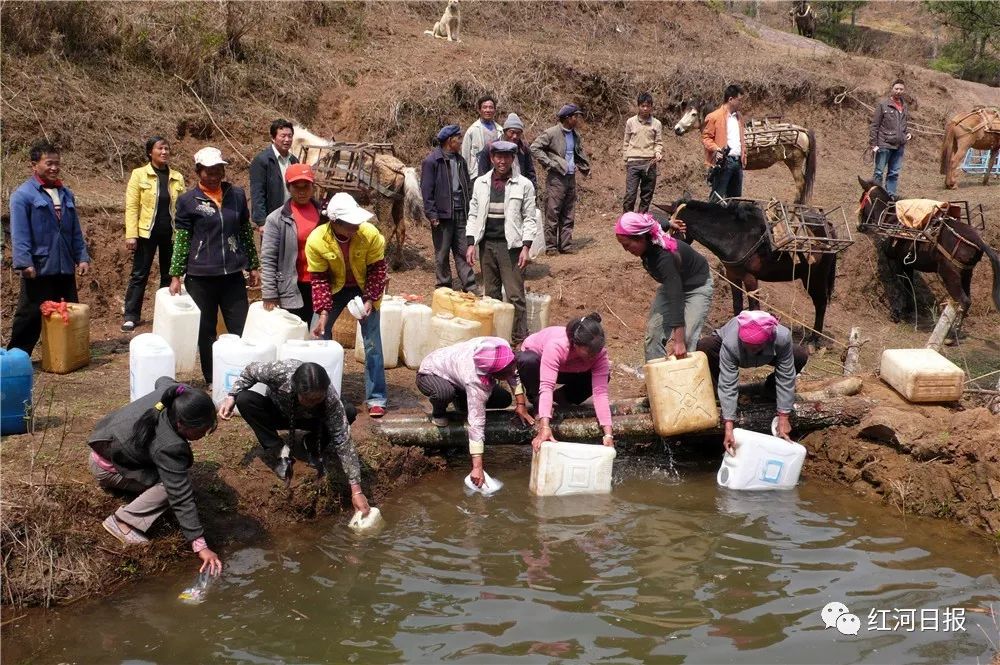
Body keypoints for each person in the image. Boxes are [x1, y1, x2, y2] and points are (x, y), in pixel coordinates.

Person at [88, 377, 222, 575]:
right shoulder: (169, 445)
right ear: (181, 424)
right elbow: (180, 495)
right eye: (202, 430)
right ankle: (124, 521)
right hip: (109, 468)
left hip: (105, 440)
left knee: (175, 477)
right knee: (172, 486)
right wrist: (201, 546)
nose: (204, 434)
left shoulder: (174, 393)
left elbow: (162, 380)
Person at [218, 361, 372, 516]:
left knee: (348, 411)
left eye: (317, 399)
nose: (312, 403)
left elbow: (343, 441)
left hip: (313, 420)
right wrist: (232, 395)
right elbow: (250, 371)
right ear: (295, 388)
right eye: (308, 399)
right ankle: (279, 449)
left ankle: (312, 444)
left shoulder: (329, 398)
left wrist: (356, 491)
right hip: (279, 412)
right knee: (244, 399)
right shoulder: (279, 372)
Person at [168, 147, 260, 384]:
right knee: (206, 330)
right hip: (200, 277)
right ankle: (212, 378)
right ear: (198, 171)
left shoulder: (237, 195)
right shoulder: (188, 201)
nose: (214, 175)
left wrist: (253, 265)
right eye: (208, 171)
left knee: (240, 326)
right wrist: (176, 274)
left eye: (218, 169)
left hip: (232, 274)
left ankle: (245, 375)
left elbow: (244, 232)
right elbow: (182, 238)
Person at [306, 192, 389, 418]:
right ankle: (322, 393)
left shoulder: (370, 234)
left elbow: (377, 270)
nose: (356, 226)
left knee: (372, 342)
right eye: (350, 224)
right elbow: (319, 278)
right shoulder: (316, 240)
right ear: (334, 223)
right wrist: (323, 312)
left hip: (364, 287)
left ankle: (376, 397)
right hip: (334, 288)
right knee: (318, 336)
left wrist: (370, 298)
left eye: (357, 222)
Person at [7, 140, 91, 355]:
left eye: (57, 163)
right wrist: (24, 263)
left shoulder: (66, 194)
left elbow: (74, 231)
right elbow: (20, 233)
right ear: (34, 165)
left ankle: (67, 354)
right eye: (49, 163)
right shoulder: (23, 196)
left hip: (64, 266)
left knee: (67, 313)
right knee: (30, 315)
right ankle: (17, 356)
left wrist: (82, 257)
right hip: (39, 266)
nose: (54, 168)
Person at [416, 337, 534, 487]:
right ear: (494, 374)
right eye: (506, 372)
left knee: (503, 399)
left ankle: (461, 400)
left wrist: (521, 404)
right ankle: (439, 412)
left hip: (458, 373)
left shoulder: (500, 347)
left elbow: (513, 372)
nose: (512, 371)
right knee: (444, 393)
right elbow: (476, 423)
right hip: (432, 373)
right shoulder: (475, 380)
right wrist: (477, 467)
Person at [695, 311, 809, 453]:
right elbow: (728, 381)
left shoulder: (781, 337)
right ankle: (717, 397)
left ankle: (770, 392)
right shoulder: (731, 342)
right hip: (729, 351)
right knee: (706, 345)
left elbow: (786, 376)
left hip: (768, 354)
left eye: (754, 347)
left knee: (799, 354)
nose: (750, 349)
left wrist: (784, 416)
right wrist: (729, 426)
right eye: (747, 345)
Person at [614, 211, 714, 362]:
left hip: (696, 287)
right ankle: (657, 379)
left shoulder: (663, 258)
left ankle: (684, 380)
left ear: (641, 237)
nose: (626, 250)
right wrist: (670, 223)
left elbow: (676, 298)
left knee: (687, 338)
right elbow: (656, 221)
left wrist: (678, 341)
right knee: (653, 336)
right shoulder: (649, 231)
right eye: (622, 245)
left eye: (627, 245)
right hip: (673, 283)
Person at [465, 141, 538, 345]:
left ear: (513, 159)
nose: (502, 161)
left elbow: (530, 218)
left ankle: (519, 338)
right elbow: (473, 213)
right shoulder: (481, 183)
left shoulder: (524, 184)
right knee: (492, 295)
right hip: (486, 245)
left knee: (515, 295)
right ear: (491, 158)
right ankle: (496, 338)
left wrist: (526, 247)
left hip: (511, 247)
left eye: (506, 157)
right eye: (498, 156)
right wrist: (471, 243)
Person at [518, 313, 614, 450]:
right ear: (576, 344)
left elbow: (600, 393)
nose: (594, 357)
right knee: (528, 361)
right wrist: (544, 426)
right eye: (589, 354)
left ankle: (559, 398)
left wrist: (608, 435)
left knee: (605, 377)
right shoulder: (557, 346)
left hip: (571, 370)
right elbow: (546, 386)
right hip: (537, 363)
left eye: (596, 354)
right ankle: (539, 404)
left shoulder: (599, 355)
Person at [121, 136, 186, 333]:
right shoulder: (139, 175)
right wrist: (131, 234)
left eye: (167, 148)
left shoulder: (177, 177)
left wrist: (184, 234)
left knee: (169, 274)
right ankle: (131, 315)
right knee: (140, 274)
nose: (164, 152)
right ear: (150, 152)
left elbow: (182, 208)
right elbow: (132, 206)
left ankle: (165, 314)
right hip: (146, 233)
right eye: (160, 149)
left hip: (171, 233)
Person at [260, 163, 321, 324]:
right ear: (288, 188)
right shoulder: (276, 219)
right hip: (292, 286)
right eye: (296, 187)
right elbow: (268, 259)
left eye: (306, 186)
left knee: (318, 336)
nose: (302, 192)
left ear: (313, 187)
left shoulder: (324, 214)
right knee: (294, 335)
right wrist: (269, 293)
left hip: (321, 284)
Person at [421, 124, 476, 292]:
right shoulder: (432, 161)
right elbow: (426, 190)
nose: (460, 142)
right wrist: (432, 214)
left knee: (463, 250)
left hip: (461, 213)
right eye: (458, 139)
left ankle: (470, 285)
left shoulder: (460, 161)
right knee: (442, 252)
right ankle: (444, 285)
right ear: (449, 141)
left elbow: (466, 187)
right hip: (443, 215)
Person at [530, 103, 591, 255]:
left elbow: (575, 154)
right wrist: (550, 163)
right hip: (556, 178)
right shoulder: (551, 133)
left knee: (569, 212)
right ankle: (551, 247)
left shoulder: (575, 135)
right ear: (567, 118)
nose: (577, 119)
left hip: (570, 177)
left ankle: (565, 245)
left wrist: (581, 165)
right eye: (575, 116)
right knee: (553, 212)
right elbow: (534, 148)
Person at [250, 119, 299, 230]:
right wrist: (261, 222)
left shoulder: (294, 160)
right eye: (283, 136)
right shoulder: (262, 160)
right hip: (271, 218)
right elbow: (258, 192)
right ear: (273, 138)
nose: (287, 140)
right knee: (272, 247)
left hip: (291, 216)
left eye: (290, 136)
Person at [701, 84, 746, 201]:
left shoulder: (739, 117)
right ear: (731, 99)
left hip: (737, 162)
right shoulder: (714, 116)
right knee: (717, 197)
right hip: (723, 162)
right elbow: (706, 138)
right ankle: (710, 219)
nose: (741, 103)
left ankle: (730, 219)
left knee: (734, 199)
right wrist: (716, 148)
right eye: (739, 100)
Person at [622, 92, 663, 213]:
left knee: (646, 195)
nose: (645, 108)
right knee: (630, 195)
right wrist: (626, 159)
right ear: (638, 106)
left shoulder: (657, 124)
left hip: (650, 163)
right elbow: (626, 141)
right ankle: (627, 221)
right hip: (633, 162)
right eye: (642, 105)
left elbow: (658, 142)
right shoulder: (630, 122)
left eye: (648, 106)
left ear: (651, 107)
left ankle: (641, 221)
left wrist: (658, 152)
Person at [869, 79, 911, 196]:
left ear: (904, 91)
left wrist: (907, 133)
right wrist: (873, 144)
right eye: (896, 89)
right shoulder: (883, 105)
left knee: (894, 173)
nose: (898, 91)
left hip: (899, 145)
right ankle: (875, 196)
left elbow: (904, 124)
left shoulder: (904, 106)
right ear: (892, 89)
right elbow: (874, 125)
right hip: (884, 144)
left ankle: (890, 197)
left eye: (901, 89)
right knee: (879, 172)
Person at [477, 112, 537, 188]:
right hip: (495, 190)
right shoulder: (490, 148)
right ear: (504, 132)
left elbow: (530, 173)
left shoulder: (523, 149)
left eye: (518, 133)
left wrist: (533, 192)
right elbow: (482, 173)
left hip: (519, 190)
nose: (515, 136)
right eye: (511, 132)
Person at [461, 95, 503, 180]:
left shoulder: (500, 130)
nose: (488, 110)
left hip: (496, 174)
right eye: (485, 107)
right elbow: (465, 156)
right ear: (479, 110)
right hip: (477, 175)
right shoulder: (472, 131)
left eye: (491, 107)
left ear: (495, 110)